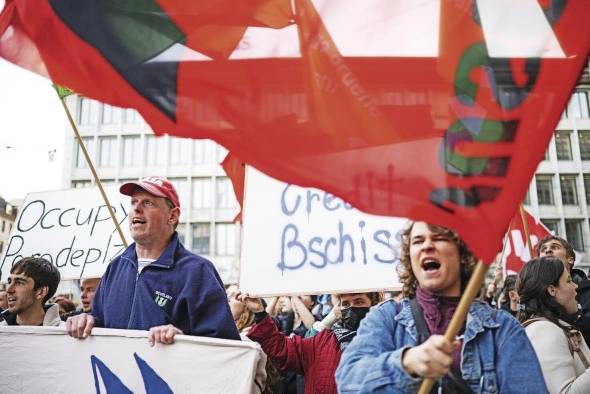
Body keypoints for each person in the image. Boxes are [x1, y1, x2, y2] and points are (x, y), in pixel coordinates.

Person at [336, 221, 546, 393]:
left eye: (438, 237)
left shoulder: (501, 329)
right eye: (418, 241)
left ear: (462, 254)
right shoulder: (385, 318)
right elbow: (348, 381)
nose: (427, 245)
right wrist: (407, 363)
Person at [66, 176, 239, 344]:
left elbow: (223, 346)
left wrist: (182, 340)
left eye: (148, 203)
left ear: (172, 216)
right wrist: (87, 321)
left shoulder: (198, 271)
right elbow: (100, 323)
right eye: (133, 202)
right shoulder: (115, 268)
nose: (137, 208)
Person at [239, 291, 382, 394]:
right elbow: (282, 348)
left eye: (359, 302)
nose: (351, 308)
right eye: (345, 304)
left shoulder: (388, 341)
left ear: (373, 305)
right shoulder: (322, 341)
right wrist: (259, 312)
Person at [517, 257, 590, 393]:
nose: (575, 287)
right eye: (568, 281)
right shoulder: (544, 330)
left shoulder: (549, 326)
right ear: (552, 290)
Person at [537, 235, 590, 344]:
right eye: (543, 249)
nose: (548, 250)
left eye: (555, 247)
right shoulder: (533, 296)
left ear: (570, 259)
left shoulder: (587, 291)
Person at [1, 257, 62, 327]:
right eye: (9, 281)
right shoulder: (2, 332)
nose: (8, 290)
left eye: (19, 282)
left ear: (41, 292)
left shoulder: (67, 334)